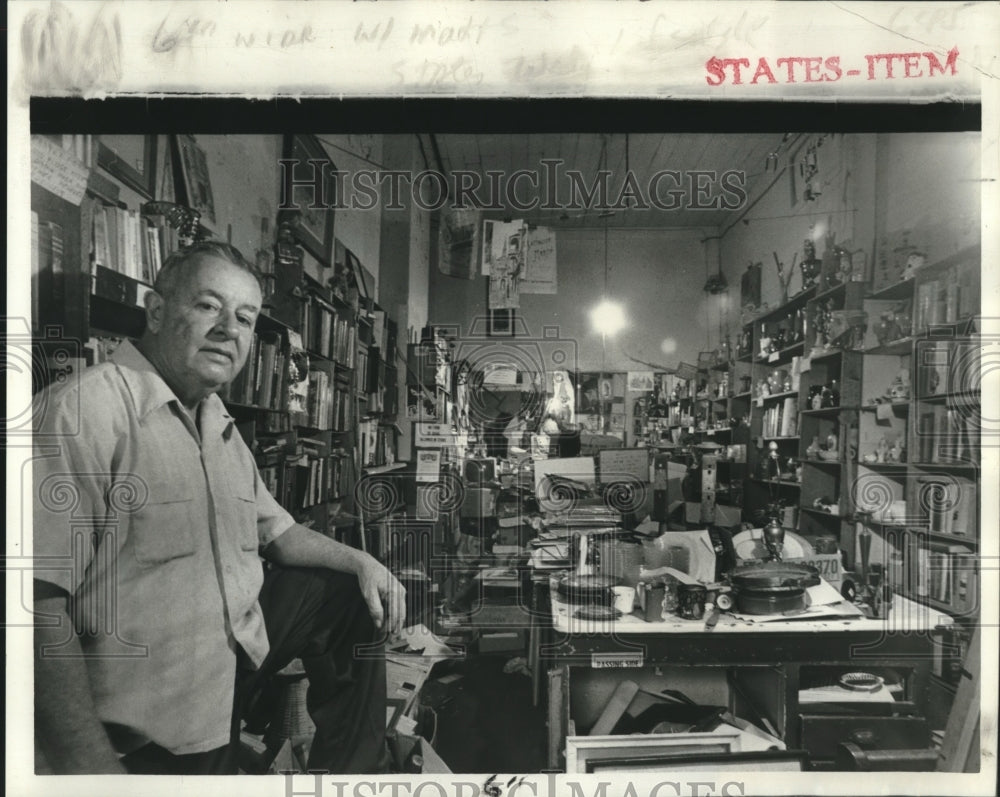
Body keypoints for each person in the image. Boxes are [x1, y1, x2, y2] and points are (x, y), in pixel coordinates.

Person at [32, 241, 406, 775]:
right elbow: (33, 607)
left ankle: (349, 778)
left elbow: (279, 532)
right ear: (157, 311)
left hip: (229, 671)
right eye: (209, 305)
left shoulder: (219, 425)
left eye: (246, 317)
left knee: (349, 593)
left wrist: (364, 563)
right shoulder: (82, 410)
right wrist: (92, 773)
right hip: (142, 726)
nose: (230, 328)